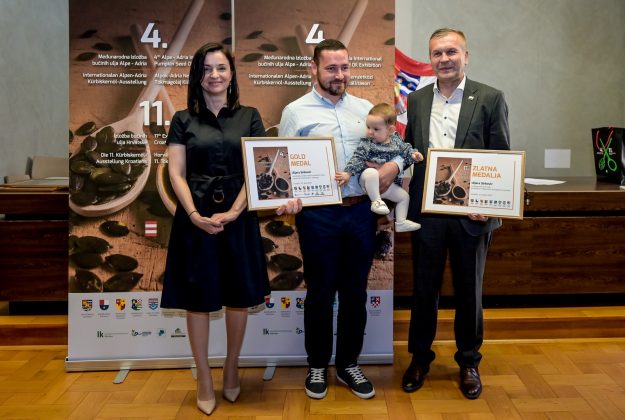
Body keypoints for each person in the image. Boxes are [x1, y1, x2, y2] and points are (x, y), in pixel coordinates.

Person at [278, 39, 404, 400]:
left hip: (361, 212)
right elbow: (282, 163)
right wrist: (288, 197)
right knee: (320, 293)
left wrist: (395, 167)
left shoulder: (365, 110)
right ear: (314, 69)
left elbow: (396, 149)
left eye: (344, 67)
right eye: (331, 68)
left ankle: (349, 364)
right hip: (318, 216)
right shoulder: (295, 112)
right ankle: (317, 364)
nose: (339, 75)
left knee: (354, 292)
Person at [160, 42, 272, 416]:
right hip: (196, 218)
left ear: (231, 74)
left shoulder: (250, 116)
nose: (214, 75)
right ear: (198, 76)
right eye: (207, 69)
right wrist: (193, 214)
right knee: (198, 296)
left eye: (221, 68)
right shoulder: (182, 119)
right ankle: (204, 376)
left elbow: (258, 168)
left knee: (238, 294)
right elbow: (176, 173)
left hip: (238, 215)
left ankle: (232, 364)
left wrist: (236, 211)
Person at [401, 28, 510, 399]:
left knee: (469, 291)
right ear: (430, 58)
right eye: (437, 53)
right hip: (427, 212)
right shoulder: (416, 100)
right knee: (424, 290)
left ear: (466, 55)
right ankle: (419, 358)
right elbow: (411, 152)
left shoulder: (490, 98)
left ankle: (469, 362)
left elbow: (500, 155)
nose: (444, 59)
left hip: (471, 214)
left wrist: (487, 204)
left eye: (451, 52)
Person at [335, 102, 423, 232]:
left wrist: (414, 154)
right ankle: (376, 201)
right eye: (368, 127)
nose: (370, 132)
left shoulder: (396, 140)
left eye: (376, 129)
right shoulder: (367, 144)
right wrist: (348, 174)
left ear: (390, 130)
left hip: (386, 184)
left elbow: (406, 149)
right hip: (367, 182)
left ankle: (401, 222)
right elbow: (357, 158)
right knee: (371, 172)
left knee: (404, 196)